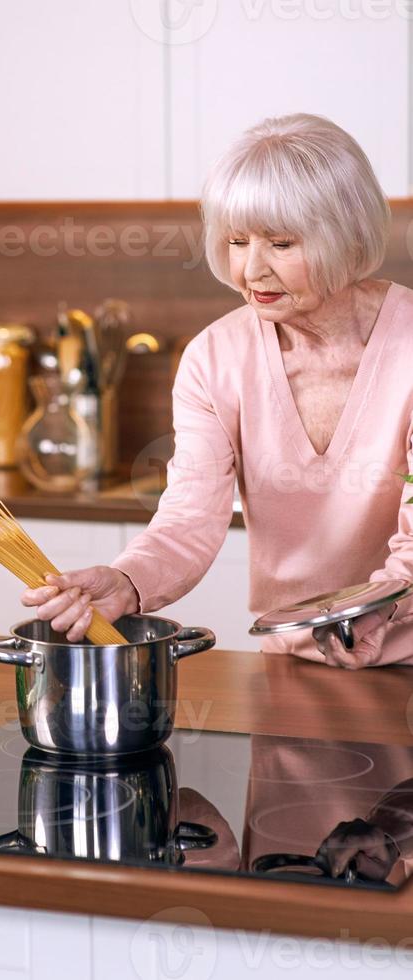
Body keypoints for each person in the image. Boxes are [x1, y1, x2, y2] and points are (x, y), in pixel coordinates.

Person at [22, 112, 413, 669]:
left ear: (346, 237)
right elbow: (190, 516)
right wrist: (128, 582)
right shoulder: (215, 358)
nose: (251, 269)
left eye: (280, 243)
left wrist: (380, 609)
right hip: (294, 660)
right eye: (236, 241)